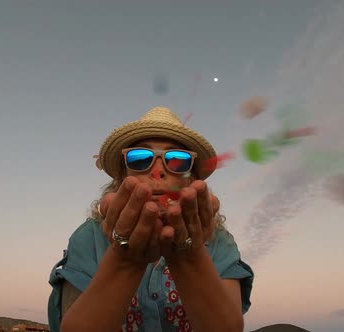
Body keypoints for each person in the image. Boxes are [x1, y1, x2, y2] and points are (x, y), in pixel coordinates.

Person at [47, 106, 254, 332]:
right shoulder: (90, 237)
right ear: (123, 177)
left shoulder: (218, 241)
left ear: (191, 178)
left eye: (177, 160)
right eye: (139, 158)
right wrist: (125, 261)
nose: (157, 172)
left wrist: (190, 257)